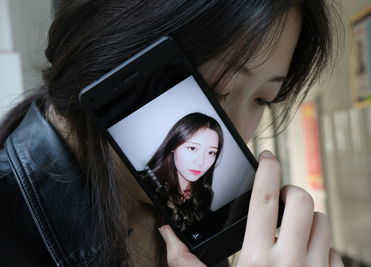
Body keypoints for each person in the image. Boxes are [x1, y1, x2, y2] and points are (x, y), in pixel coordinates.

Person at [0, 0, 344, 266]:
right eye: (215, 89)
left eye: (262, 99)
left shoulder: (192, 206)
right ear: (114, 52)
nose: (235, 134)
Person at [143, 112, 223, 232]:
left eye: (211, 152)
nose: (201, 162)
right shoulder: (144, 184)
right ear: (173, 146)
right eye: (192, 148)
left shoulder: (205, 195)